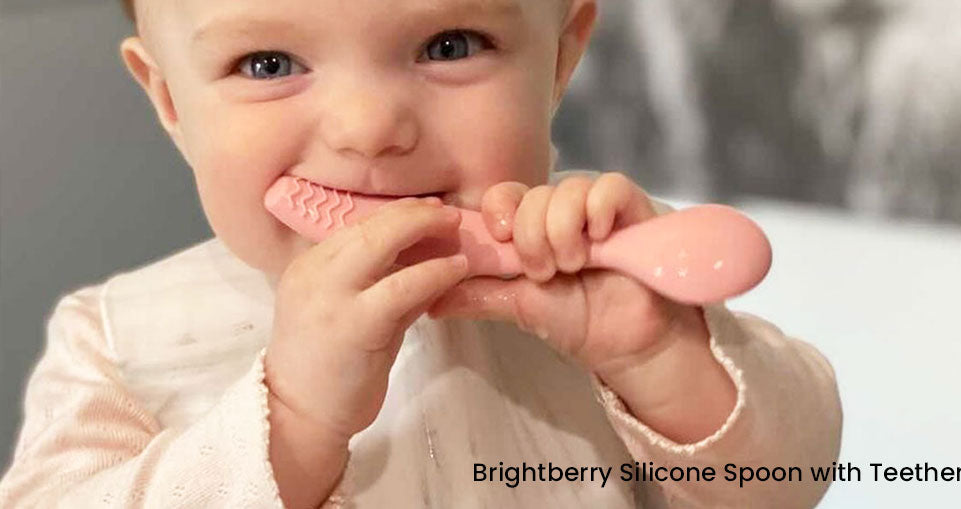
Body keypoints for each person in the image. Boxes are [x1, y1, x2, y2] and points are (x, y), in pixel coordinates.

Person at [0, 0, 842, 507]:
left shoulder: (609, 258)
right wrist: (289, 423)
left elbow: (790, 478)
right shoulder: (119, 343)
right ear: (172, 101)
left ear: (560, 53)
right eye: (268, 63)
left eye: (449, 45)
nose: (369, 126)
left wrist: (660, 358)